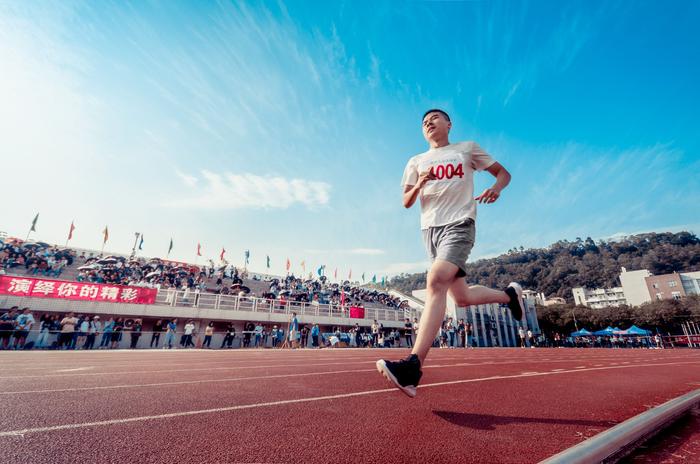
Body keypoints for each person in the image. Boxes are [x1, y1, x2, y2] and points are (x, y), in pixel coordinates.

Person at [377, 109, 525, 397]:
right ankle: (509, 295)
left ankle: (412, 366)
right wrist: (420, 182)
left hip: (459, 224)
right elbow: (407, 201)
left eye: (434, 118)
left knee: (435, 281)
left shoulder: (466, 149)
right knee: (462, 297)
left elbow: (503, 173)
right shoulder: (415, 161)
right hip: (429, 230)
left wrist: (496, 188)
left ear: (449, 124)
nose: (428, 123)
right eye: (423, 122)